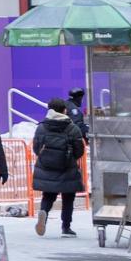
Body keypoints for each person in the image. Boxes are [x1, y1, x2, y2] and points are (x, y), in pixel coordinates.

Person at [32, 100, 88, 236]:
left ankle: (43, 214)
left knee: (48, 195)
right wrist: (71, 158)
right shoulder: (72, 127)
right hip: (67, 167)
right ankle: (66, 227)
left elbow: (36, 147)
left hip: (46, 168)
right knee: (68, 198)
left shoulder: (42, 127)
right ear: (64, 110)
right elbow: (80, 149)